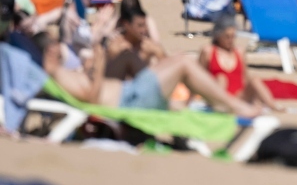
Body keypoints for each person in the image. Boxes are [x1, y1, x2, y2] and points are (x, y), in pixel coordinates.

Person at [39, 32, 260, 117]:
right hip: (130, 99)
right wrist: (99, 63)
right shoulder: (57, 74)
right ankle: (233, 105)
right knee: (183, 62)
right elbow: (91, 98)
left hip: (131, 92)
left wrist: (93, 65)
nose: (60, 47)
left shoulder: (58, 73)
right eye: (57, 43)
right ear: (50, 50)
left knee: (180, 59)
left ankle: (224, 103)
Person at [198, 15, 282, 112]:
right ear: (218, 36)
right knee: (221, 78)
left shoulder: (239, 52)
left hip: (238, 97)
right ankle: (221, 106)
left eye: (233, 36)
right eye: (227, 37)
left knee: (255, 80)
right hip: (217, 95)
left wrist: (255, 96)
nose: (230, 40)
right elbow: (199, 76)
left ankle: (273, 106)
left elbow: (245, 78)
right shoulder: (208, 51)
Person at [102, 0, 166, 80]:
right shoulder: (116, 47)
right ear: (127, 25)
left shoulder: (149, 46)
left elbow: (168, 66)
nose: (144, 30)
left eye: (145, 25)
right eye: (140, 26)